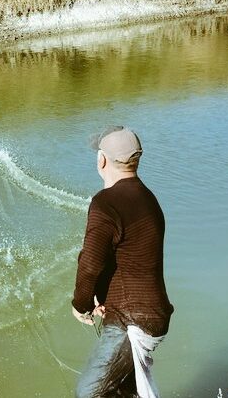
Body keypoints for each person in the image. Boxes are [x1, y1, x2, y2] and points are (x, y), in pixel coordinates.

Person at [71, 126, 174, 398]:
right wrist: (103, 295)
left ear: (101, 160)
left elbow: (90, 263)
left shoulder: (106, 202)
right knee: (121, 390)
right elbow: (130, 259)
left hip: (132, 321)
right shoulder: (148, 199)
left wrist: (81, 305)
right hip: (151, 315)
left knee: (88, 392)